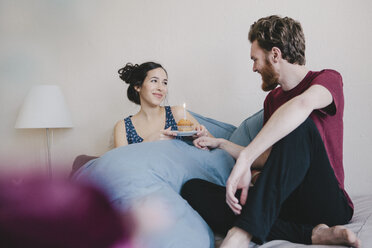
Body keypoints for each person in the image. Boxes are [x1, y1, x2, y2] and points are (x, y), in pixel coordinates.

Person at [181, 15, 361, 247]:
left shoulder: (327, 79)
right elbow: (273, 157)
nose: (254, 67)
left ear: (275, 55)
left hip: (326, 202)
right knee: (194, 189)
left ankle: (241, 233)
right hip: (285, 201)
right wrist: (221, 143)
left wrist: (245, 159)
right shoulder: (272, 100)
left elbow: (301, 106)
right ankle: (312, 235)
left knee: (299, 125)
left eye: (255, 59)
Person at [114, 62, 210, 147]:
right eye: (154, 81)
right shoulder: (123, 127)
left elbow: (215, 146)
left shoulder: (177, 113)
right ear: (138, 86)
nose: (161, 88)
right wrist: (148, 141)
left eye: (165, 83)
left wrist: (202, 137)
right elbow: (121, 164)